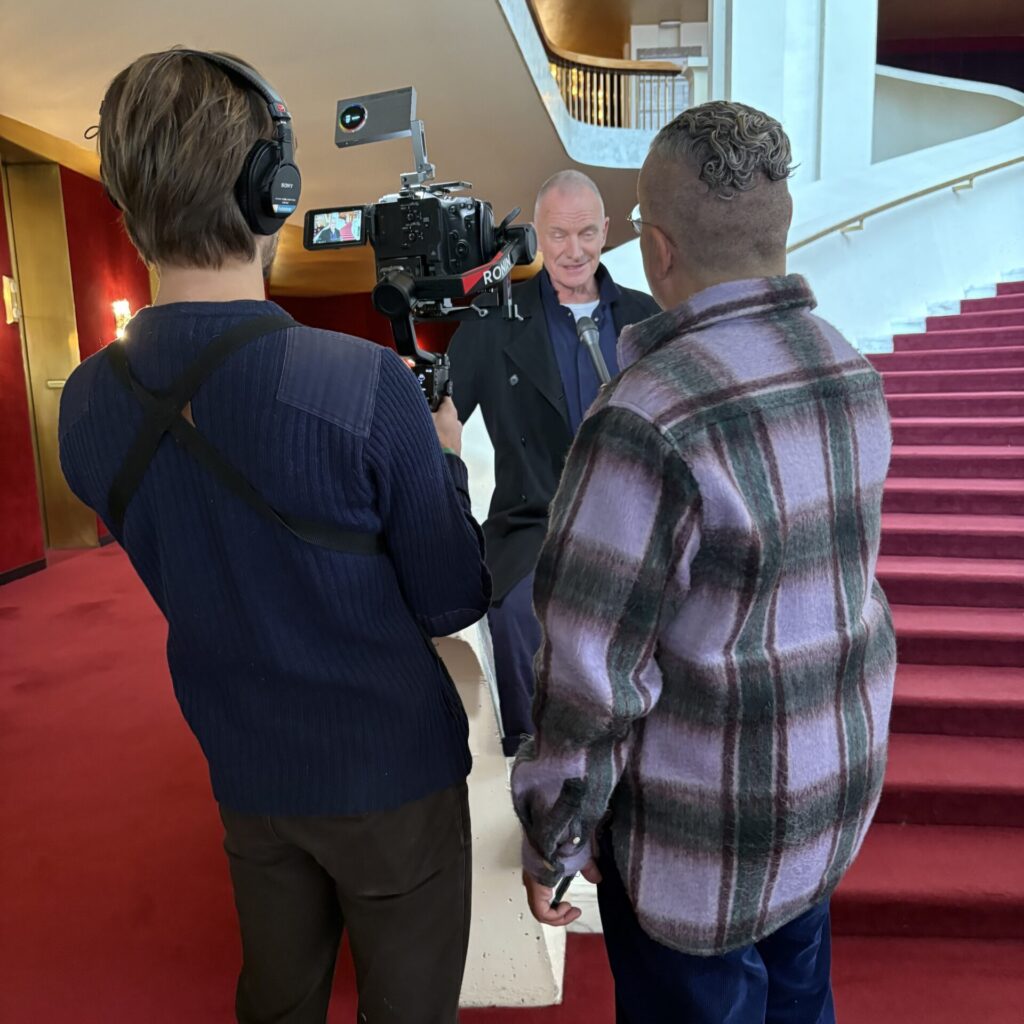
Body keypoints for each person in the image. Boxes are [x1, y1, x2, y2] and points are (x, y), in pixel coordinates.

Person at [58, 48, 489, 1024]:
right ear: (273, 191)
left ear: (126, 203)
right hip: (392, 774)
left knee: (278, 999)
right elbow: (452, 595)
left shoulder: (84, 404)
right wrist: (446, 457)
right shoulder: (362, 383)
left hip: (244, 763)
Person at [511, 101, 896, 1023]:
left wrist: (553, 839)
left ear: (656, 247)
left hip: (698, 849)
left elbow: (589, 676)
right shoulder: (848, 369)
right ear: (782, 228)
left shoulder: (648, 416)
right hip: (824, 806)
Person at [447, 170, 659, 755]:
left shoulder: (645, 318)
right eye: (559, 235)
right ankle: (534, 757)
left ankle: (644, 756)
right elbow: (442, 418)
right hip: (533, 519)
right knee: (518, 609)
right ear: (538, 236)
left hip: (634, 519)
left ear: (607, 230)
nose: (574, 251)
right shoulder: (492, 320)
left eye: (587, 233)